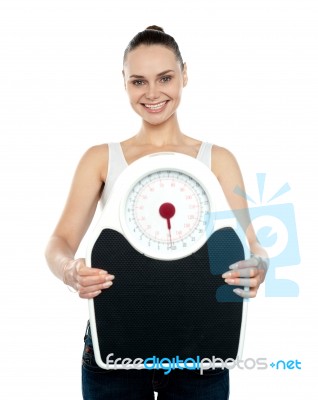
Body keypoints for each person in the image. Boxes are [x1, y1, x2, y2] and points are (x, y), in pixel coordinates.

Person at [45, 25, 269, 400]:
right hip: (114, 348)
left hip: (201, 351)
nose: (152, 93)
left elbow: (253, 245)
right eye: (138, 82)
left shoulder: (218, 160)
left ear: (184, 74)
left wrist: (258, 268)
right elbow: (59, 241)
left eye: (165, 78)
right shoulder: (101, 159)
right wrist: (70, 270)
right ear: (125, 83)